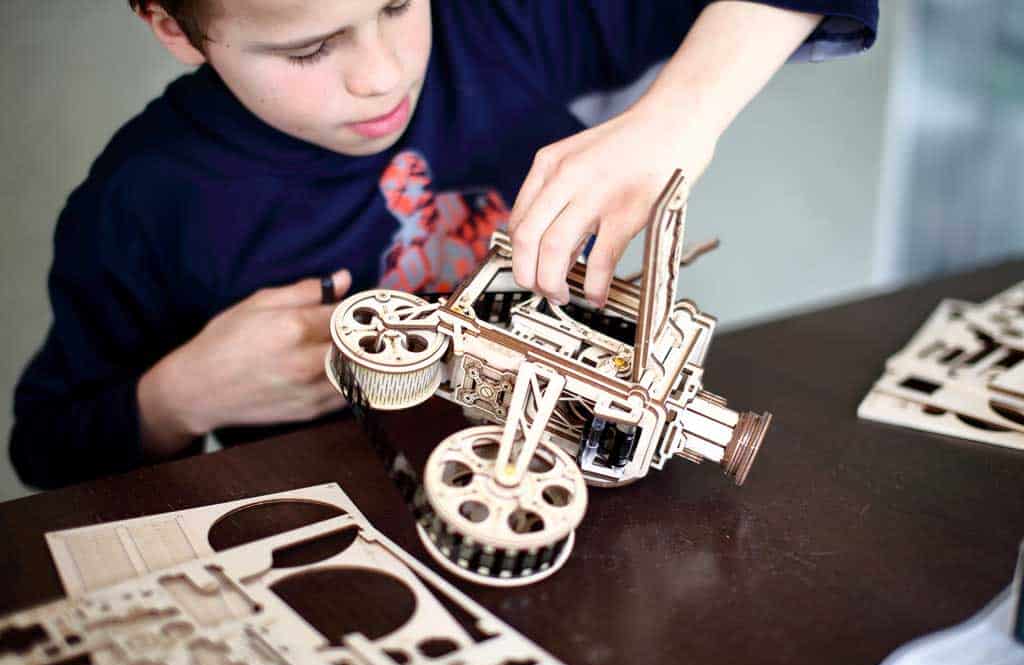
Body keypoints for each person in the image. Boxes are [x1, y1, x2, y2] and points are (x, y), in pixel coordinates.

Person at [10, 0, 878, 488]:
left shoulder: (501, 23)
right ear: (171, 24)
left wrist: (679, 119)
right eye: (310, 47)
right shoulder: (141, 202)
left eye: (396, 2)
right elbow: (48, 447)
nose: (383, 74)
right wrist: (178, 398)